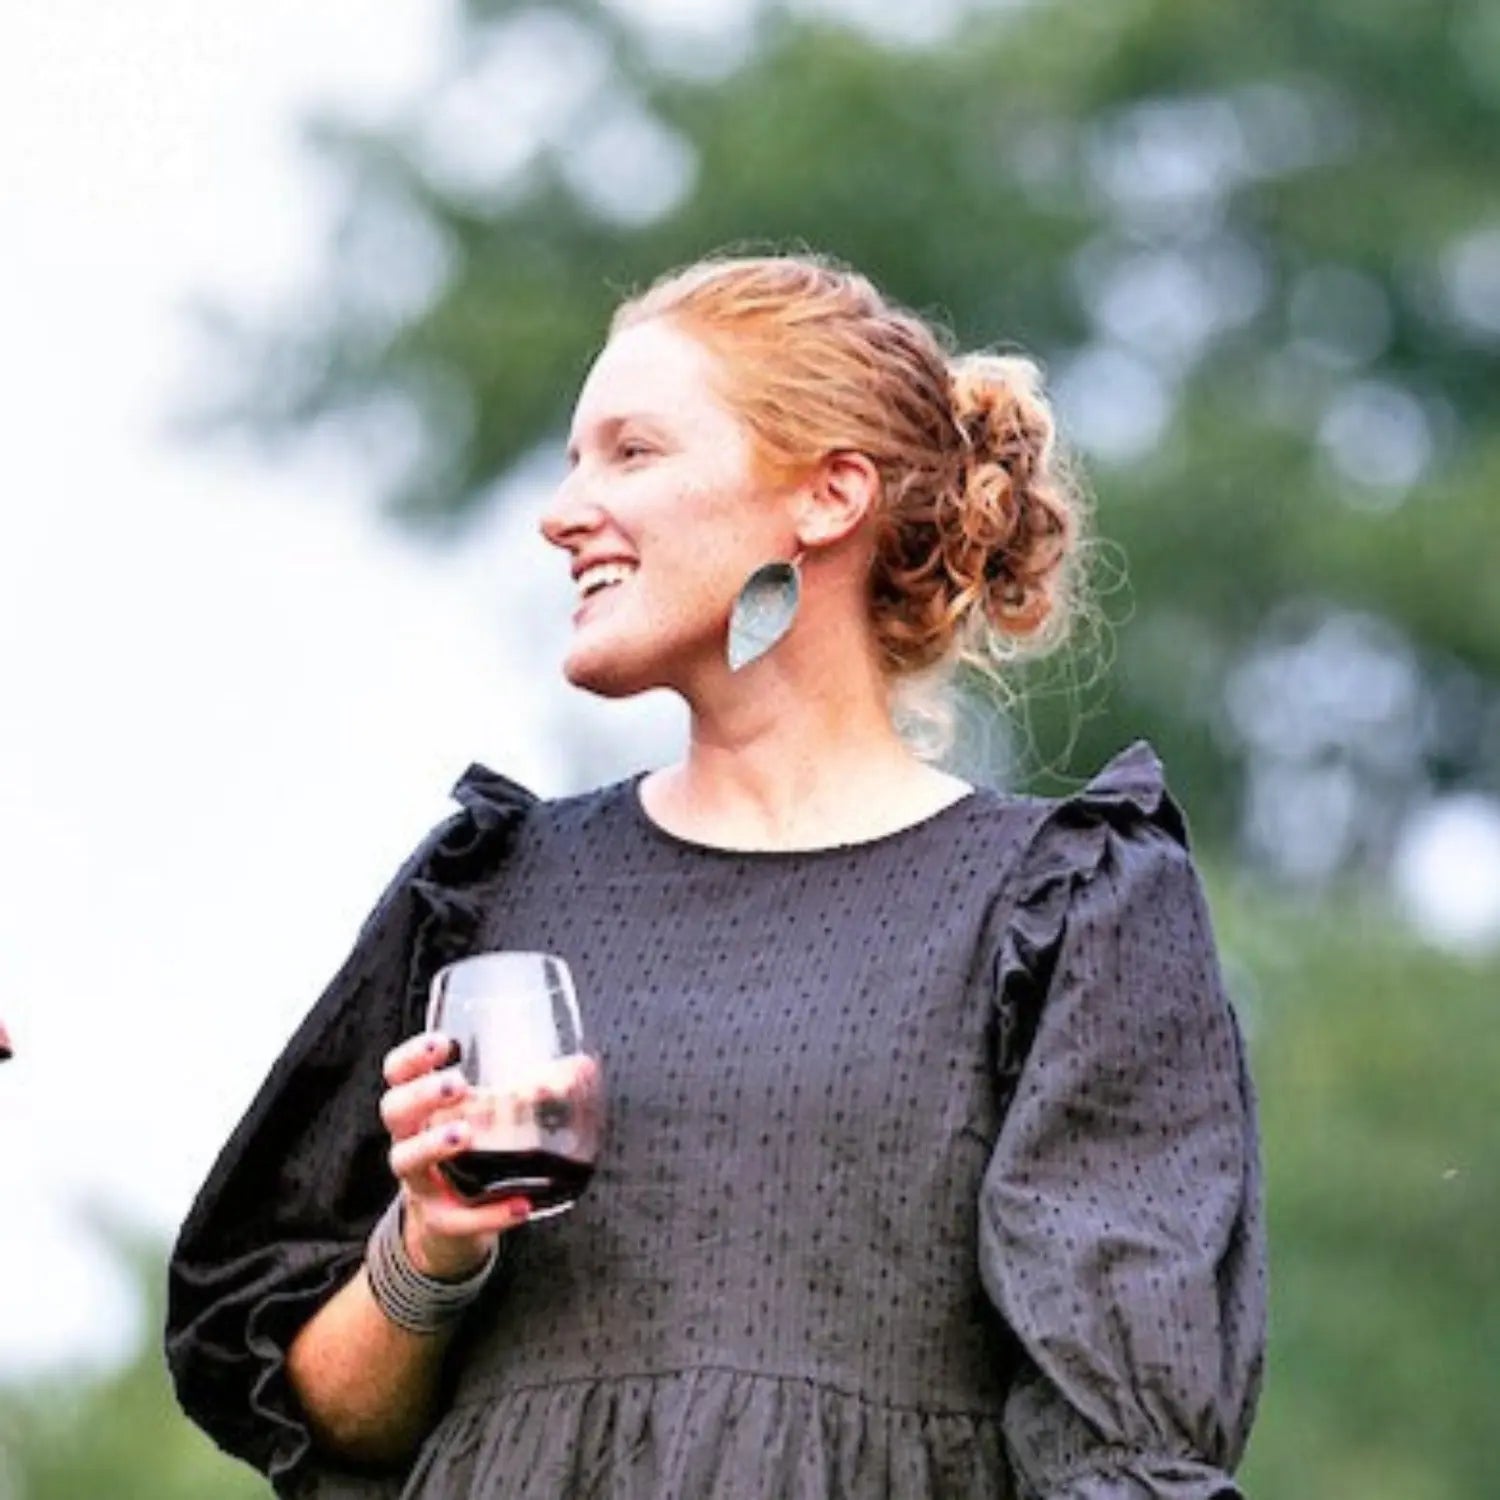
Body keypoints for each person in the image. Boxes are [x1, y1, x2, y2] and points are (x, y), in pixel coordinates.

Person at [166, 254, 1265, 1500]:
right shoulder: (484, 893)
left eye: (632, 453)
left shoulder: (1065, 909)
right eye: (575, 459)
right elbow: (330, 1424)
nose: (562, 509)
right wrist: (433, 1247)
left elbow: (1127, 1454)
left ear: (827, 496)